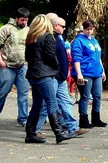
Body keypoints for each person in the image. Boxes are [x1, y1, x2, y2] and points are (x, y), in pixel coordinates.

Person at [35, 17, 88, 139]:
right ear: (55, 26)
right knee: (46, 104)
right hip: (53, 76)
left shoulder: (60, 37)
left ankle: (73, 127)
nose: (64, 28)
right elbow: (50, 57)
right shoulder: (49, 37)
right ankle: (35, 129)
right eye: (62, 26)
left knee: (66, 102)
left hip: (61, 77)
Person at [23, 14, 73, 144]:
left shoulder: (31, 38)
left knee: (37, 105)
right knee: (51, 103)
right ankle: (58, 132)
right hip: (45, 74)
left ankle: (30, 133)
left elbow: (27, 57)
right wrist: (56, 67)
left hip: (33, 74)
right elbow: (51, 56)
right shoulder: (47, 37)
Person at [0, 7, 30, 127]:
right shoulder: (6, 29)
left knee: (23, 93)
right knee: (3, 92)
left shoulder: (28, 30)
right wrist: (0, 61)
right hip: (7, 66)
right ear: (16, 18)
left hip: (22, 66)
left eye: (26, 20)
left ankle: (23, 118)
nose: (24, 22)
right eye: (22, 20)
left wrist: (28, 60)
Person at [72, 19, 107, 128]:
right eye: (87, 29)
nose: (89, 32)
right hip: (85, 71)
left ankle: (96, 118)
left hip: (97, 72)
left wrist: (102, 70)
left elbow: (98, 57)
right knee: (85, 96)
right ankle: (83, 119)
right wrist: (79, 74)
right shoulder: (79, 41)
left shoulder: (94, 40)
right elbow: (76, 58)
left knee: (97, 96)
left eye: (91, 29)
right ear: (83, 29)